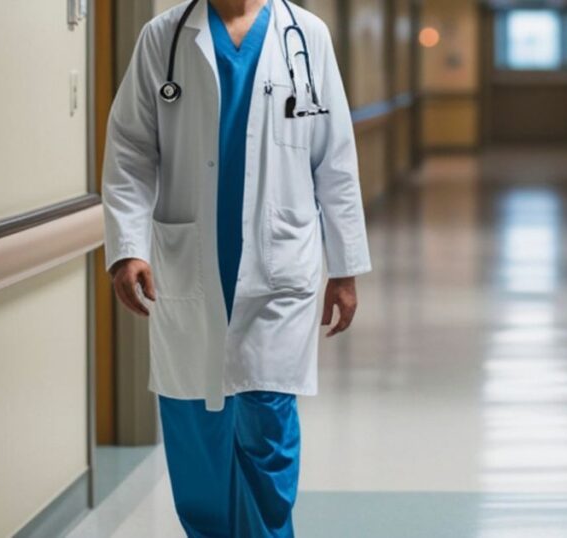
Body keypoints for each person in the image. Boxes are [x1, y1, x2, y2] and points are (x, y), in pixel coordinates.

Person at [101, 0, 370, 535]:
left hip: (279, 266)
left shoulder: (306, 35)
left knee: (267, 424)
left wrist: (344, 267)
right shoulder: (164, 37)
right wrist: (127, 247)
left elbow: (334, 159)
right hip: (191, 265)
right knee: (196, 432)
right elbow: (130, 150)